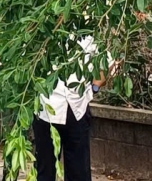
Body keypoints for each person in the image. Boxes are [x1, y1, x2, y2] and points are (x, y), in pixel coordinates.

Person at [32, 36, 104, 181]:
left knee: (79, 172)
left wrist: (93, 89)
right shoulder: (40, 32)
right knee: (45, 171)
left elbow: (104, 63)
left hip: (77, 109)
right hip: (46, 110)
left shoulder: (90, 31)